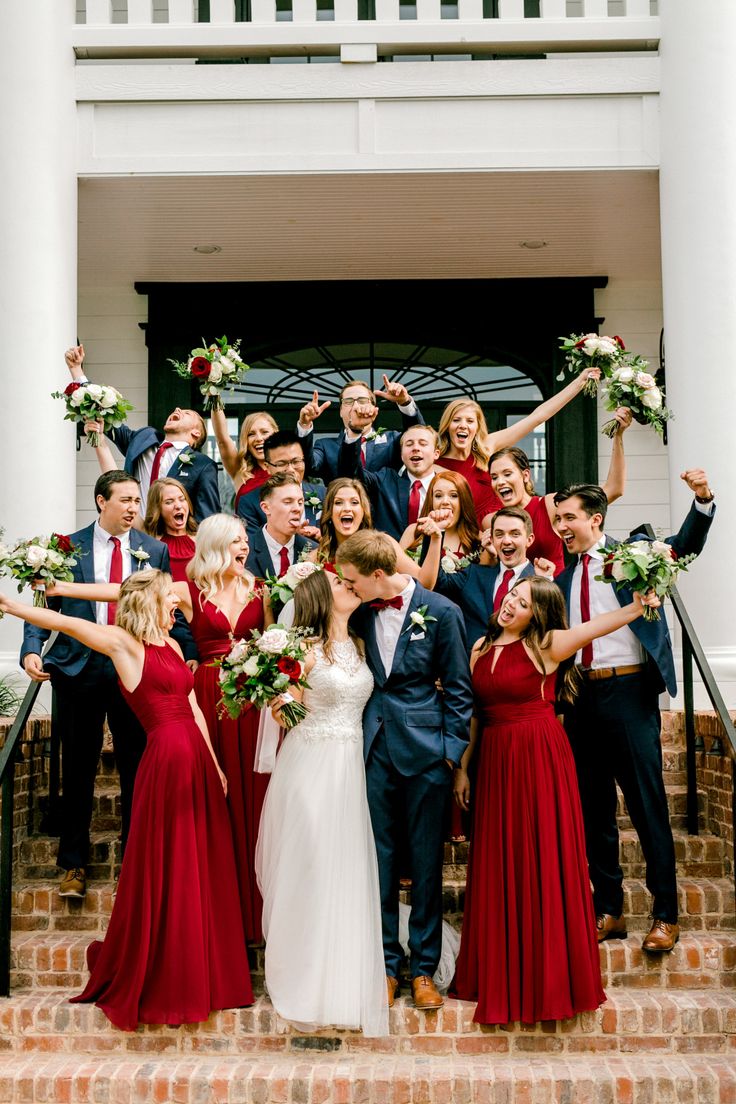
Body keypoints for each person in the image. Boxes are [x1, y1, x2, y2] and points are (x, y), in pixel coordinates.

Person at [2, 571, 253, 1031]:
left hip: (196, 758)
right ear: (149, 603)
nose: (174, 605)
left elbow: (194, 706)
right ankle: (172, 972)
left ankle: (210, 969)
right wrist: (15, 608)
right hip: (166, 761)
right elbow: (68, 623)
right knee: (173, 862)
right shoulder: (123, 644)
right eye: (167, 600)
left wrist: (215, 763)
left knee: (202, 860)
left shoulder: (174, 646)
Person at [44, 513, 272, 945]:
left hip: (253, 702)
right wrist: (61, 588)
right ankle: (216, 915)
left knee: (253, 802)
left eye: (246, 540)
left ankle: (256, 912)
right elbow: (122, 591)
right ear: (214, 544)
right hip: (208, 698)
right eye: (236, 540)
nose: (244, 547)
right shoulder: (188, 591)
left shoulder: (261, 588)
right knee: (217, 805)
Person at [452, 576, 659, 1025]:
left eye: (523, 603)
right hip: (496, 758)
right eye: (511, 596)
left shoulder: (546, 645)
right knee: (500, 860)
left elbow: (598, 626)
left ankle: (548, 978)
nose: (511, 605)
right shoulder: (479, 648)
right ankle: (501, 971)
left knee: (542, 857)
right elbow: (473, 714)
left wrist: (637, 606)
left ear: (537, 614)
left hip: (538, 754)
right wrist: (465, 767)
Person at [553, 472, 716, 953]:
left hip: (629, 693)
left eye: (569, 518)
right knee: (594, 811)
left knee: (647, 807)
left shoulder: (633, 557)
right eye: (558, 518)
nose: (562, 525)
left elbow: (684, 547)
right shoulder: (560, 577)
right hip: (580, 698)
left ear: (595, 519)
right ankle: (610, 910)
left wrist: (702, 500)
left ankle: (665, 914)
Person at [19, 470, 193, 900]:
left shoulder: (152, 550)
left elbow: (172, 606)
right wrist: (31, 648)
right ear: (101, 502)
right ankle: (74, 864)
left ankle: (134, 862)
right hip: (78, 668)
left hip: (133, 671)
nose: (135, 507)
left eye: (138, 500)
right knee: (78, 767)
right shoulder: (66, 547)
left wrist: (185, 649)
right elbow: (46, 603)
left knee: (137, 766)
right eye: (126, 500)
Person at [335, 531, 473, 1012]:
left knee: (426, 864)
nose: (347, 587)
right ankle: (387, 967)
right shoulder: (359, 612)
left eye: (352, 580)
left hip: (427, 753)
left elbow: (459, 689)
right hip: (372, 749)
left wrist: (451, 754)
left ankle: (424, 971)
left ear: (378, 576)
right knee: (381, 864)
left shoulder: (442, 611)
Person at [256, 568, 388, 1036]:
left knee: (345, 866)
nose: (349, 585)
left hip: (353, 765)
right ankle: (302, 971)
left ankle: (342, 973)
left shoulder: (361, 643)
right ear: (318, 595)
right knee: (309, 862)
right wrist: (284, 701)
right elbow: (282, 708)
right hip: (310, 762)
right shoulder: (303, 652)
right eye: (339, 583)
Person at [64, 345, 220, 522]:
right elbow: (103, 411)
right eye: (179, 409)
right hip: (132, 532)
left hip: (172, 542)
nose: (178, 409)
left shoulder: (203, 465)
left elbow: (208, 518)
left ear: (196, 433)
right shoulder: (143, 439)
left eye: (188, 413)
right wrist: (77, 371)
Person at [435, 366, 600, 524]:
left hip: (505, 532)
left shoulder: (488, 445)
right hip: (467, 542)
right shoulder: (436, 464)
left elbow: (537, 417)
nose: (463, 425)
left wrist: (579, 382)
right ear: (447, 425)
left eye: (470, 421)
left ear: (477, 427)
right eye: (456, 420)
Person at [481, 407, 631, 575]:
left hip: (555, 595)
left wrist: (618, 435)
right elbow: (488, 570)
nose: (500, 482)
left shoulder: (549, 505)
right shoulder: (491, 521)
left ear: (525, 475)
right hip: (514, 598)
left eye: (507, 474)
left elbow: (614, 489)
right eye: (494, 477)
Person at [436, 506, 555, 655]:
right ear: (491, 540)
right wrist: (436, 535)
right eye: (499, 534)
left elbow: (550, 632)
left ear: (529, 540)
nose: (506, 540)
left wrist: (546, 582)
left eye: (515, 534)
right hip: (471, 669)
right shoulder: (474, 574)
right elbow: (435, 580)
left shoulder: (541, 580)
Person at [306, 477, 444, 590]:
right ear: (329, 513)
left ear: (363, 511)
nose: (347, 508)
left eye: (354, 502)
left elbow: (424, 584)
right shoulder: (315, 559)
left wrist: (436, 539)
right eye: (338, 503)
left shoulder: (383, 544)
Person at [297, 376, 424, 484]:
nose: (356, 406)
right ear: (341, 411)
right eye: (348, 401)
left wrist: (404, 402)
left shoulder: (392, 440)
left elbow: (419, 437)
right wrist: (304, 424)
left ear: (374, 408)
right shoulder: (325, 446)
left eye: (362, 400)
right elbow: (307, 467)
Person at [339, 425, 443, 543]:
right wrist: (354, 433)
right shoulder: (385, 480)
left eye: (423, 444)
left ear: (436, 453)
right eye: (409, 444)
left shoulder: (448, 487)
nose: (415, 448)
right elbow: (351, 474)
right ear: (401, 455)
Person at [245, 474, 318, 614]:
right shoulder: (246, 550)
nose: (297, 508)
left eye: (300, 502)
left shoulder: (313, 551)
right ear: (266, 508)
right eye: (288, 502)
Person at [237, 430, 324, 539]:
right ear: (267, 467)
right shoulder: (250, 502)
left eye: (296, 461)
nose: (291, 469)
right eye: (281, 464)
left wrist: (323, 539)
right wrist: (293, 537)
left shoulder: (324, 494)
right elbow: (251, 546)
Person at [400, 470, 491, 565]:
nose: (445, 501)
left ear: (464, 501)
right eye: (438, 496)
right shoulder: (413, 531)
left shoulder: (477, 538)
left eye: (454, 495)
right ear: (431, 500)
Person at [210, 406, 278, 514]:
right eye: (251, 434)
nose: (259, 438)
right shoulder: (240, 469)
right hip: (245, 530)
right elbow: (222, 440)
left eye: (264, 432)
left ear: (276, 434)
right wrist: (214, 396)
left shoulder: (288, 468)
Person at [142, 477, 197, 583]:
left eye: (182, 499)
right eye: (169, 502)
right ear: (157, 509)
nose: (178, 505)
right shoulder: (151, 542)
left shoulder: (204, 541)